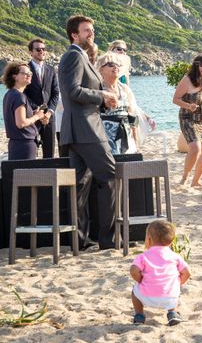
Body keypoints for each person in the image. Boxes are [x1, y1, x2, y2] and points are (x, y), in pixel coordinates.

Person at [58, 14, 119, 250]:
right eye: (86, 31)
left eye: (92, 30)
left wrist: (103, 102)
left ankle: (80, 241)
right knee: (110, 176)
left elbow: (79, 94)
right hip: (86, 129)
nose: (91, 34)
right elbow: (72, 91)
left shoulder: (80, 56)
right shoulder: (73, 56)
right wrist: (102, 95)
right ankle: (109, 240)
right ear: (74, 35)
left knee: (81, 186)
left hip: (77, 129)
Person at [130, 220, 191, 326]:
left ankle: (139, 315)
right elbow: (187, 272)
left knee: (134, 292)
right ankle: (172, 313)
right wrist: (178, 283)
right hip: (169, 298)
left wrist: (140, 280)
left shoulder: (143, 256)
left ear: (148, 240)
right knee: (174, 290)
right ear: (171, 242)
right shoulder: (175, 256)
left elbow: (133, 270)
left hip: (146, 296)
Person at [172, 54, 202, 189]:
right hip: (188, 118)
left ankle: (196, 180)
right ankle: (185, 177)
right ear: (196, 66)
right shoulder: (187, 80)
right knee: (195, 148)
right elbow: (175, 99)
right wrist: (188, 106)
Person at [2, 62, 46, 160]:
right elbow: (21, 123)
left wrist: (33, 115)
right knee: (26, 174)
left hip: (16, 144)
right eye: (25, 73)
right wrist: (37, 116)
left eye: (30, 73)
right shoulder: (19, 96)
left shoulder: (9, 94)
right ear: (15, 77)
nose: (29, 75)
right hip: (24, 144)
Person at [97, 53, 139, 155]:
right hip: (104, 138)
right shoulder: (97, 89)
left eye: (118, 64)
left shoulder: (125, 89)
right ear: (100, 69)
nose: (115, 67)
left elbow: (133, 118)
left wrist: (136, 144)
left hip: (126, 136)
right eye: (110, 64)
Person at [24, 38, 59, 158]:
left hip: (49, 117)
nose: (42, 51)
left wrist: (48, 113)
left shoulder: (51, 69)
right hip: (32, 115)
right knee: (31, 150)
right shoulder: (25, 70)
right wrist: (37, 111)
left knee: (49, 152)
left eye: (43, 49)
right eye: (38, 49)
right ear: (31, 52)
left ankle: (48, 175)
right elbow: (24, 94)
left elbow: (55, 93)